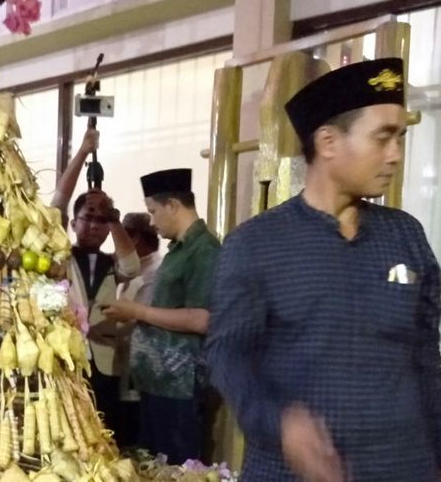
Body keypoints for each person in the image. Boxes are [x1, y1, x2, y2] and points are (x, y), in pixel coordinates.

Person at [204, 58, 441, 481]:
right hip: (290, 471)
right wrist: (280, 423)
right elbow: (228, 354)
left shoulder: (405, 236)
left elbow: (427, 358)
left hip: (403, 467)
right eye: (383, 137)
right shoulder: (256, 244)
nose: (396, 155)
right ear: (328, 141)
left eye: (400, 137)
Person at [103, 168, 220, 464]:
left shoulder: (204, 251)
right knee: (152, 466)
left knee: (176, 468)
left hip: (178, 385)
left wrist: (138, 311)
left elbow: (202, 319)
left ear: (173, 206)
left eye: (153, 211)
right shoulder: (179, 250)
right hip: (158, 382)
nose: (152, 222)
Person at [51, 128, 140, 447]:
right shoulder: (58, 257)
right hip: (68, 358)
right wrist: (83, 153)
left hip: (105, 361)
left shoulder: (110, 264)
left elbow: (132, 266)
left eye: (100, 221)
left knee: (103, 434)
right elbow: (56, 205)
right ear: (73, 224)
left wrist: (114, 219)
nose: (93, 226)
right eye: (86, 218)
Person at [115, 212, 163, 448]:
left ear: (134, 239)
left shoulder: (154, 272)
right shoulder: (133, 270)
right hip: (123, 361)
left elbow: (138, 318)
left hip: (143, 362)